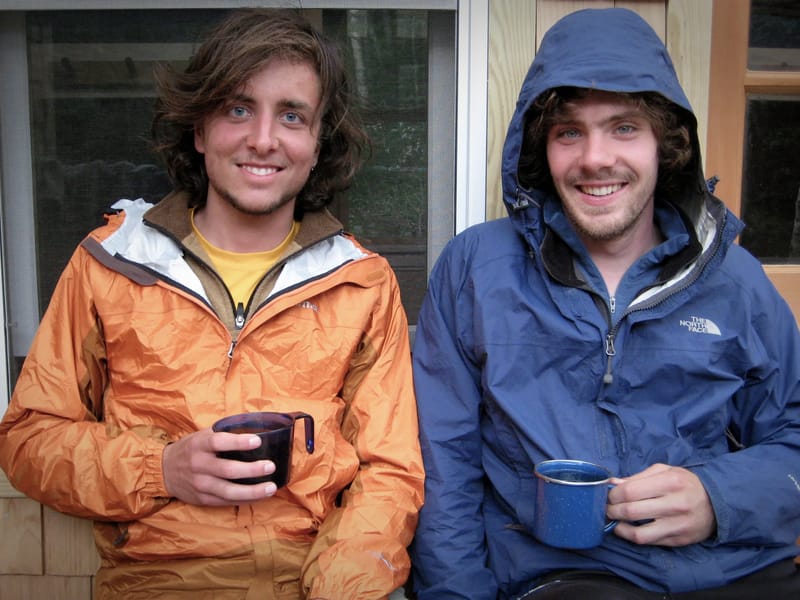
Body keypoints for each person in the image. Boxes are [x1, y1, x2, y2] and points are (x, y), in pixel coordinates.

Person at [0, 8, 424, 599]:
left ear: (317, 141)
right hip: (156, 583)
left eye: (292, 115)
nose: (263, 138)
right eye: (238, 108)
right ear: (199, 130)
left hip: (316, 581)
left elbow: (391, 471)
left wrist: (337, 591)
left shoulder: (361, 281)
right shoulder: (109, 262)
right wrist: (162, 468)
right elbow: (28, 438)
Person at [410, 8, 800, 600]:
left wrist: (720, 498)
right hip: (559, 578)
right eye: (569, 132)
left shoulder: (736, 282)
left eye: (624, 127)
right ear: (541, 148)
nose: (595, 158)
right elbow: (444, 470)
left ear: (665, 145)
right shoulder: (476, 271)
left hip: (734, 569)